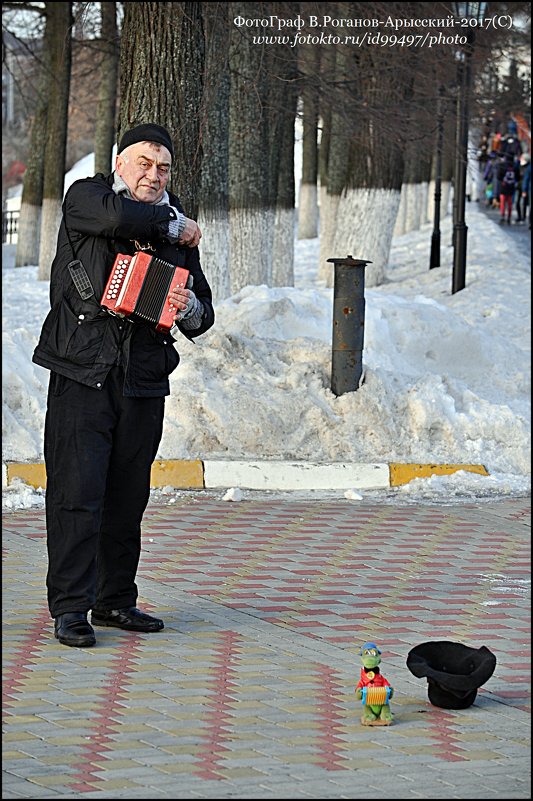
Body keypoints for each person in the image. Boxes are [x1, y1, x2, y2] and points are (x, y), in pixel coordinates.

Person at [32, 123, 215, 647]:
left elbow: (203, 314)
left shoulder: (177, 229)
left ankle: (114, 600)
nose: (153, 175)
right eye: (143, 163)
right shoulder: (88, 196)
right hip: (81, 371)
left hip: (141, 380)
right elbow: (117, 217)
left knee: (126, 497)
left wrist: (191, 307)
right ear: (118, 162)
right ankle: (70, 608)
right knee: (76, 494)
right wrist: (175, 225)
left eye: (163, 168)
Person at [497, 154, 520, 225]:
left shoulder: (502, 165)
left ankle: (502, 216)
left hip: (503, 187)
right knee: (510, 203)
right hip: (511, 187)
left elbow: (498, 176)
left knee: (503, 202)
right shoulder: (515, 166)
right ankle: (509, 217)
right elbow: (518, 177)